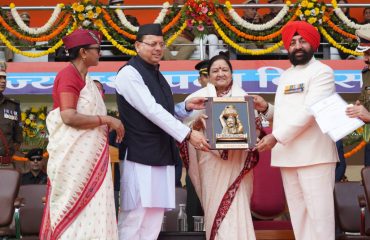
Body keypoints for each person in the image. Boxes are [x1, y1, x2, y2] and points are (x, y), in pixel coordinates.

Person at [114, 23, 210, 240]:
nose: (158, 48)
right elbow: (151, 111)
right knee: (134, 217)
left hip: (162, 155)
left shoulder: (158, 74)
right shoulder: (129, 73)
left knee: (155, 218)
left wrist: (185, 107)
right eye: (152, 44)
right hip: (140, 155)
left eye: (161, 44)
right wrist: (187, 134)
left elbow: (163, 112)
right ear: (137, 46)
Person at [255, 21, 339, 240]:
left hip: (315, 157)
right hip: (288, 156)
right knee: (299, 219)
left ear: (312, 43)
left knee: (320, 221)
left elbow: (309, 113)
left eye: (302, 41)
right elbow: (286, 115)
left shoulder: (323, 72)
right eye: (292, 43)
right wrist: (265, 108)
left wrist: (275, 137)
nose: (297, 46)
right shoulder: (285, 75)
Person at [39, 29, 124, 240]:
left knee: (95, 207)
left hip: (91, 160)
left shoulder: (87, 79)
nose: (100, 54)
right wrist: (106, 119)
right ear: (84, 52)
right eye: (97, 50)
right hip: (73, 162)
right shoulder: (68, 75)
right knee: (73, 207)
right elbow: (68, 116)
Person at [183, 53, 262, 240]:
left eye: (224, 70)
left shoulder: (243, 97)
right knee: (214, 209)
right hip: (210, 163)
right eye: (215, 70)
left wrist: (254, 131)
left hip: (237, 164)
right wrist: (196, 125)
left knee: (238, 208)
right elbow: (184, 131)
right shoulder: (196, 98)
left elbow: (256, 128)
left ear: (232, 74)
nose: (220, 74)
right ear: (208, 76)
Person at [0, 62, 23, 169]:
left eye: (4, 78)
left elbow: (18, 135)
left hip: (6, 164)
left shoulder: (13, 105)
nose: (3, 81)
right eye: (0, 78)